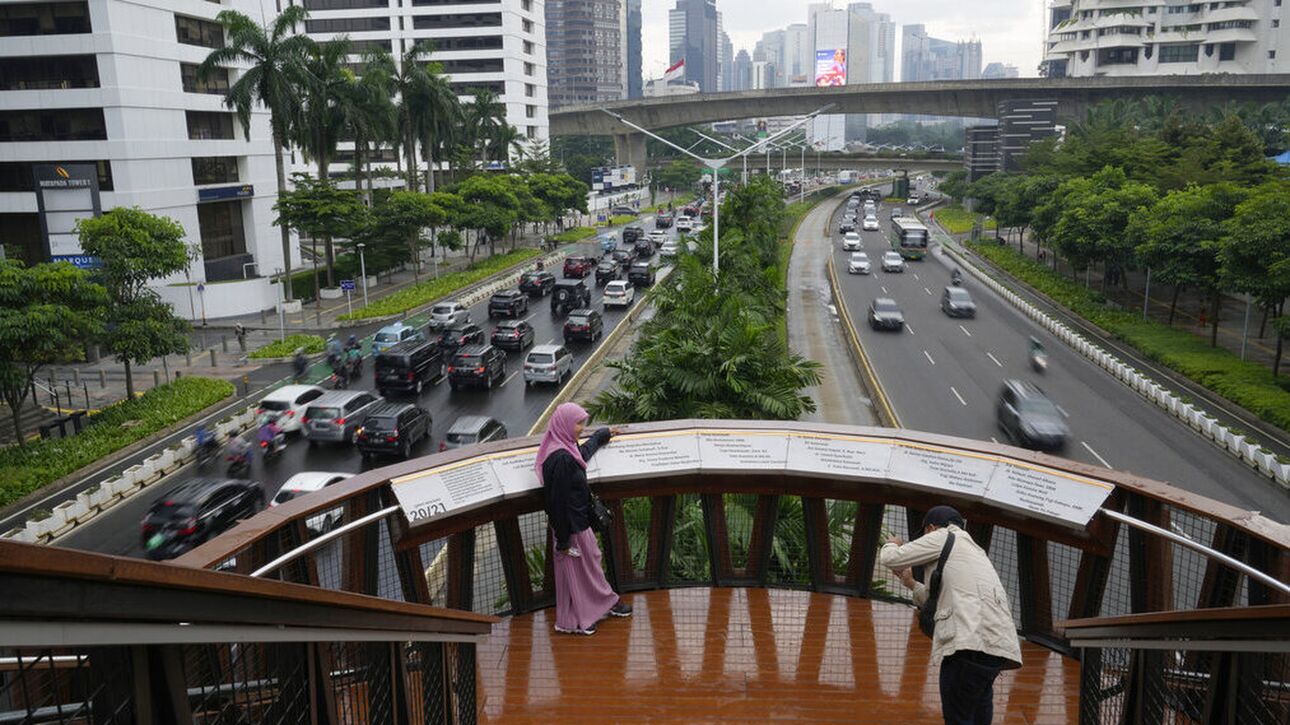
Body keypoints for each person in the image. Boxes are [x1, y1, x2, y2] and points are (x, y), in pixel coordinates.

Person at [880, 506, 1022, 724]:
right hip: (997, 646)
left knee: (958, 715)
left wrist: (893, 543)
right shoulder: (975, 551)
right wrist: (909, 583)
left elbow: (891, 558)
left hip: (968, 642)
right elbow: (934, 599)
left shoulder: (942, 535)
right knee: (977, 711)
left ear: (931, 527)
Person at [536, 403, 631, 635]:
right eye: (578, 423)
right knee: (586, 570)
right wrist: (564, 541)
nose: (580, 428)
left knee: (580, 571)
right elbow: (556, 503)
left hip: (575, 524)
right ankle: (588, 615)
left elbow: (582, 455)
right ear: (564, 424)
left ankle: (577, 618)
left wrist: (602, 435)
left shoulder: (565, 448)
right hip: (571, 528)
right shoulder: (560, 459)